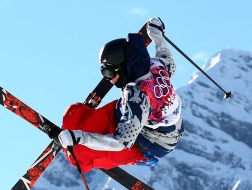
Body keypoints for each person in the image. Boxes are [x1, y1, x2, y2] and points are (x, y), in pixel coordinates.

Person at [56, 18, 183, 173]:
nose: (108, 79)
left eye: (108, 72)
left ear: (123, 67)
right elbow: (167, 59)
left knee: (80, 154)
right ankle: (79, 127)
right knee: (75, 115)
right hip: (150, 117)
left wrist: (80, 138)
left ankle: (141, 157)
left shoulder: (137, 97)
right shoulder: (155, 65)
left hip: (153, 141)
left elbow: (121, 143)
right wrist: (156, 34)